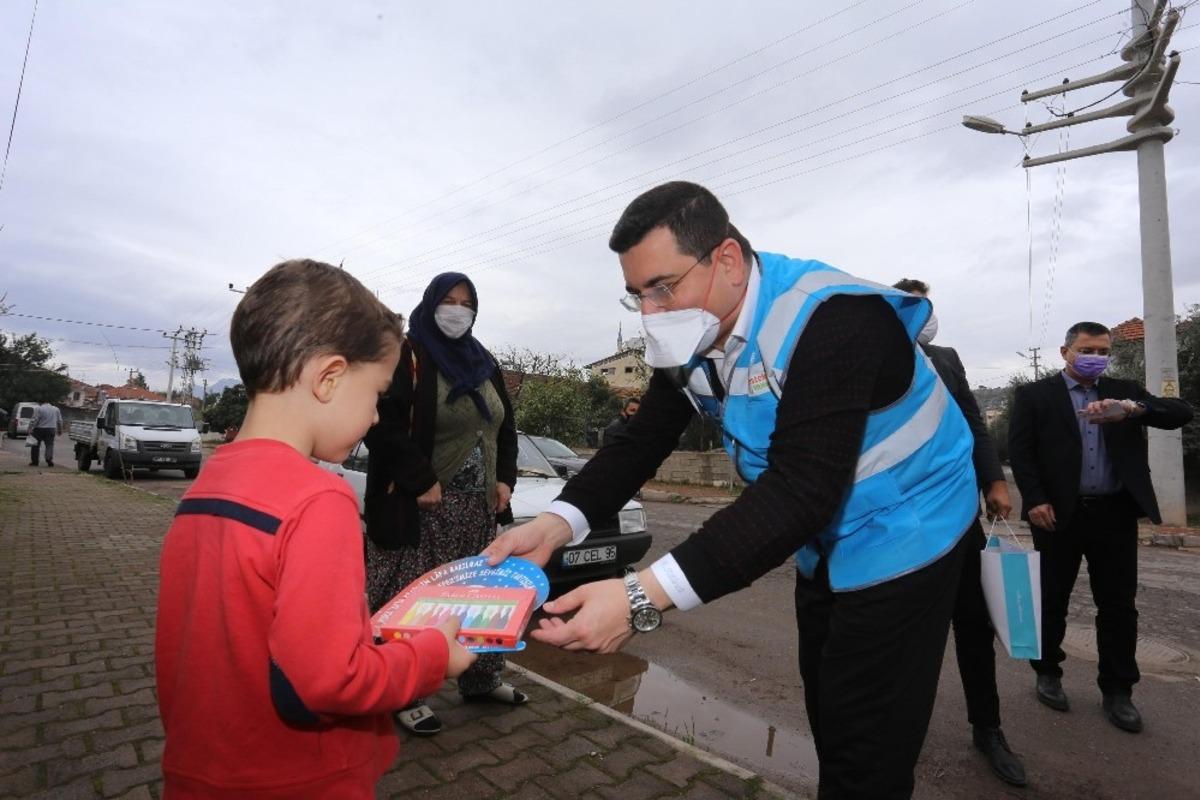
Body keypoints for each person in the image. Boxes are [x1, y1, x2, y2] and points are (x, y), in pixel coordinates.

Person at [486, 181, 980, 799]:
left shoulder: (835, 320)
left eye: (663, 287)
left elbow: (800, 490)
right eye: (637, 295)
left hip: (910, 530)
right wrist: (556, 524)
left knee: (867, 743)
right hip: (826, 539)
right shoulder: (693, 335)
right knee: (831, 710)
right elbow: (641, 441)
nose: (650, 314)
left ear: (727, 260)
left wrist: (639, 597)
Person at [155, 259, 474, 798]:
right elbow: (332, 680)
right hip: (300, 779)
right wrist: (432, 657)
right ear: (330, 378)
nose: (376, 417)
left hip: (202, 772)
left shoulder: (207, 485)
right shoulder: (318, 500)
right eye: (376, 394)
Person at [1008, 321, 1192, 733]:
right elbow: (1021, 452)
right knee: (1051, 598)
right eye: (1087, 350)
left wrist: (1134, 409)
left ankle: (1118, 689)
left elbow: (1181, 413)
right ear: (1065, 352)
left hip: (1115, 514)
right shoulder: (1036, 395)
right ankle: (1047, 672)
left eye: (1103, 351)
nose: (1096, 358)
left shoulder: (1124, 391)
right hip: (1057, 515)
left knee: (1118, 605)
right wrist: (1034, 499)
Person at [363, 272, 521, 737]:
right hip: (422, 509)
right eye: (448, 300)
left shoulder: (483, 361)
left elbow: (504, 427)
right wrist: (420, 478)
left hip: (476, 510)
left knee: (478, 601)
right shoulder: (409, 355)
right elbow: (381, 424)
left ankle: (481, 679)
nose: (458, 310)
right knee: (416, 601)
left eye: (466, 303)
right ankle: (405, 691)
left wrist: (504, 478)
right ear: (431, 303)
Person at [893, 278, 1024, 787]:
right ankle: (895, 738)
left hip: (958, 516)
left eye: (927, 308)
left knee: (974, 625)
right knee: (905, 635)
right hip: (899, 524)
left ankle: (988, 729)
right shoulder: (870, 356)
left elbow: (973, 420)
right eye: (912, 306)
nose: (923, 318)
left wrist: (995, 481)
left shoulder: (945, 358)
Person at [28, 398, 64, 467]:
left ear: (40, 402)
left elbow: (34, 420)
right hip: (51, 429)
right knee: (49, 445)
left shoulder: (38, 408)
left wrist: (30, 429)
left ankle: (35, 462)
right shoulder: (56, 409)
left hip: (39, 429)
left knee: (35, 446)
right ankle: (49, 459)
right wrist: (60, 430)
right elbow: (59, 421)